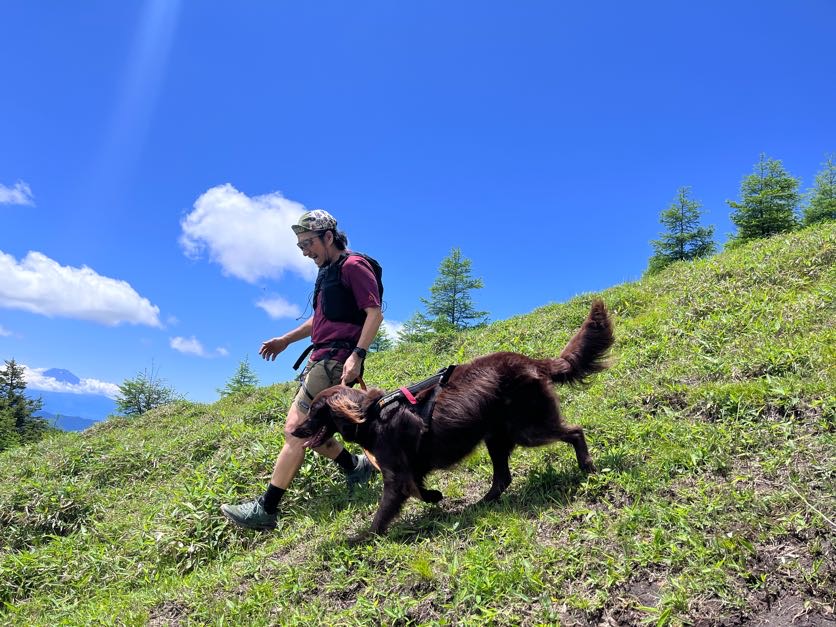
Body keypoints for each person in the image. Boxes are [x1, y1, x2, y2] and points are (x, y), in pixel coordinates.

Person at [221, 209, 383, 530]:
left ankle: (265, 510)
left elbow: (374, 313)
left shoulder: (353, 267)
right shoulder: (327, 273)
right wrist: (285, 340)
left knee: (296, 429)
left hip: (335, 360)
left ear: (328, 237)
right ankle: (355, 467)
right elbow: (320, 321)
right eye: (300, 246)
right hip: (319, 359)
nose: (305, 251)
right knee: (312, 430)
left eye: (308, 243)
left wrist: (358, 355)